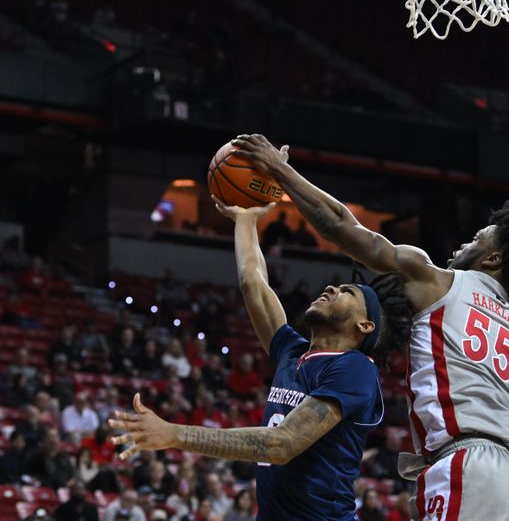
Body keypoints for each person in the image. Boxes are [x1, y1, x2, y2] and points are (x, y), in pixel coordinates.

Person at [229, 133, 509, 520]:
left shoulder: (439, 281)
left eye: (476, 239)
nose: (460, 246)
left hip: (469, 464)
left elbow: (341, 226)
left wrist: (279, 169)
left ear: (493, 259)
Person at [110, 198, 408, 520]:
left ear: (365, 325)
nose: (333, 287)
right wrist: (246, 218)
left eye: (348, 292)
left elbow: (281, 444)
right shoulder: (293, 352)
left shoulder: (355, 368)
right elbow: (253, 284)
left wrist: (174, 434)